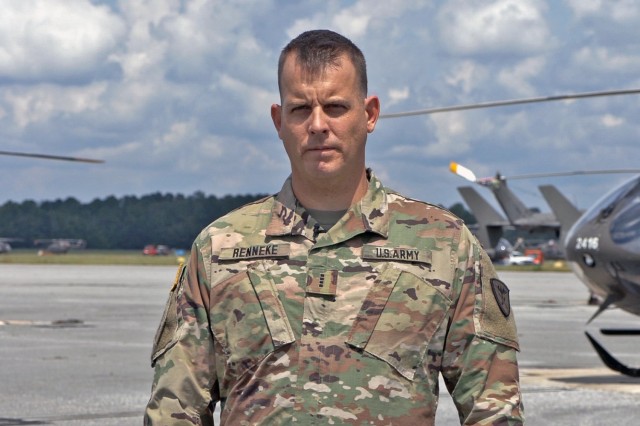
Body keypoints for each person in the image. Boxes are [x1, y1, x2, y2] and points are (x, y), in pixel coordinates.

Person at [145, 29, 524, 425]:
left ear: (370, 114)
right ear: (278, 121)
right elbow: (175, 409)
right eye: (300, 109)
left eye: (336, 107)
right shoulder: (219, 249)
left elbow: (493, 410)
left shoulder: (446, 246)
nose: (318, 125)